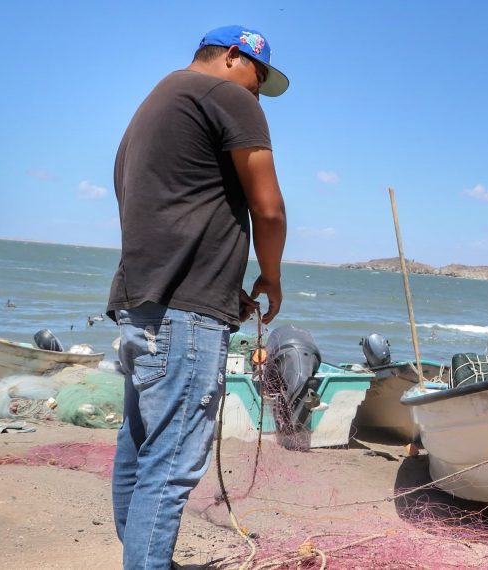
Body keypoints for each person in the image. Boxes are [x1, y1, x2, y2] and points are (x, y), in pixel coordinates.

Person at [106, 25, 289, 569]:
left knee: (139, 449)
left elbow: (170, 211)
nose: (256, 93)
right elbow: (269, 208)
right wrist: (271, 277)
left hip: (144, 306)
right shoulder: (228, 97)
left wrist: (222, 284)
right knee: (171, 463)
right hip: (185, 318)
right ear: (234, 57)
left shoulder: (155, 104)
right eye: (258, 78)